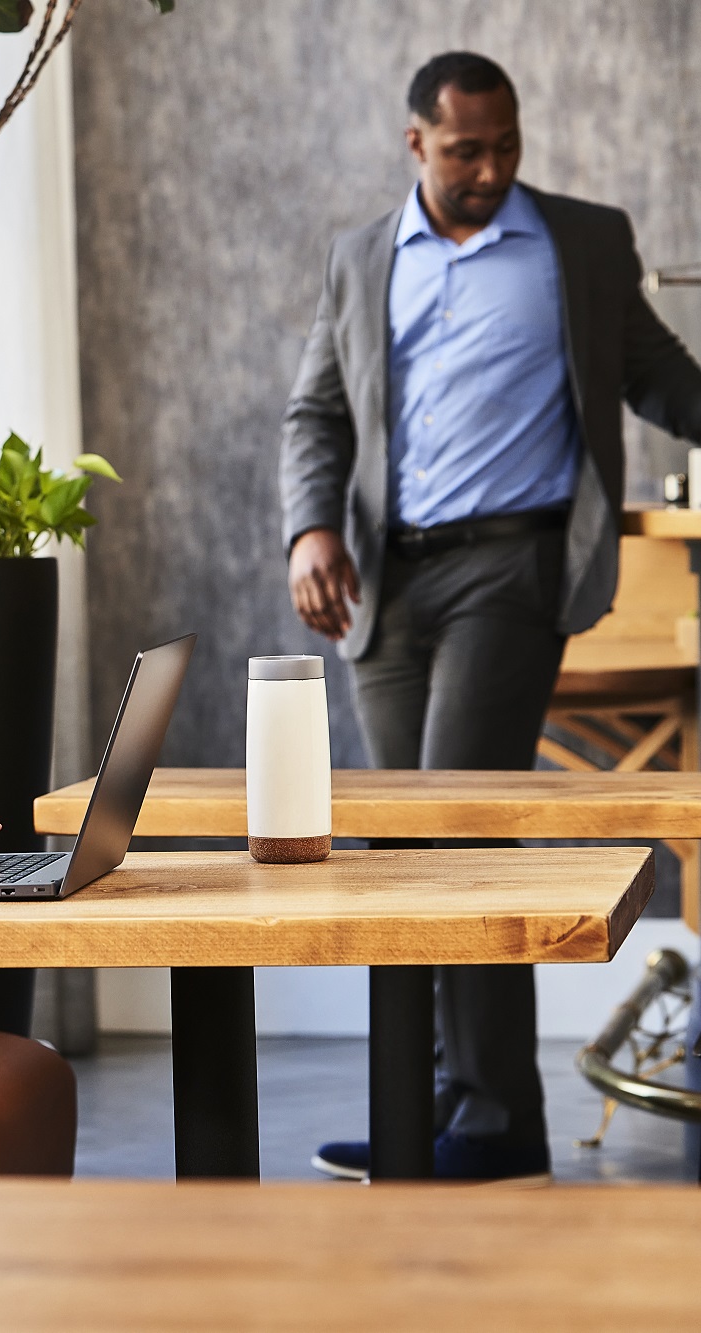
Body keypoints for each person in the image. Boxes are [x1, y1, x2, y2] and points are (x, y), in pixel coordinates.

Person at [281, 52, 701, 1182]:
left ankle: (497, 1119)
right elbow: (316, 411)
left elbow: (658, 378)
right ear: (413, 141)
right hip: (387, 583)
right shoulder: (361, 256)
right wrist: (307, 530)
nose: (489, 168)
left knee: (459, 838)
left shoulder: (578, 241)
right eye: (465, 149)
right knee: (400, 849)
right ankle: (418, 1110)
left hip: (512, 573)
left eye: (504, 144)